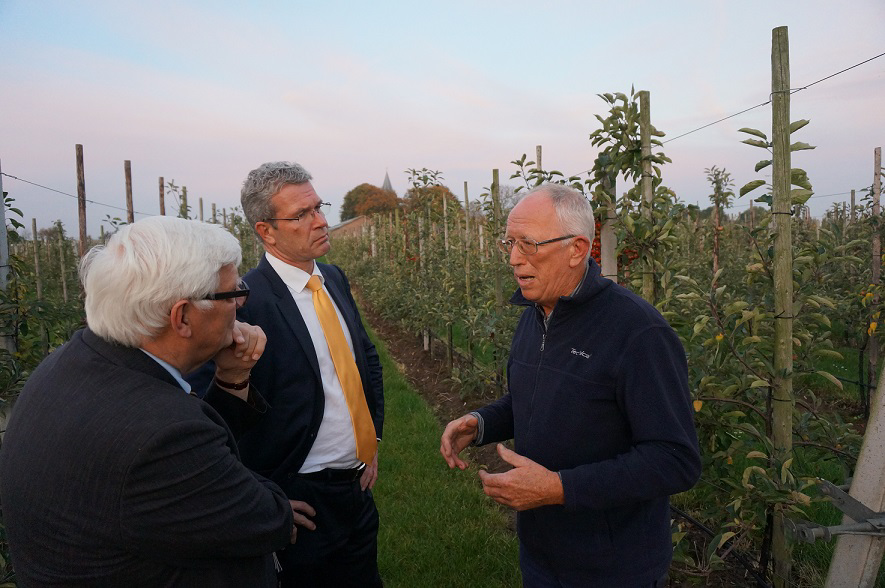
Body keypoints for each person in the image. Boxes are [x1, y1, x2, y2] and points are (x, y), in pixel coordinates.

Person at [0, 216, 312, 587]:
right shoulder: (161, 436)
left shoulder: (74, 363)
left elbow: (204, 465)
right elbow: (267, 519)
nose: (242, 304)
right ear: (182, 317)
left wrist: (231, 377)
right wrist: (269, 502)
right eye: (233, 293)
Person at [440, 184, 701, 587]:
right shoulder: (536, 314)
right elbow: (538, 398)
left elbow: (674, 459)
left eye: (528, 244)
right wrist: (482, 422)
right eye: (509, 243)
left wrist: (560, 488)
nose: (513, 259)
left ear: (577, 249)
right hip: (541, 552)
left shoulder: (638, 333)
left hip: (612, 566)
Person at [205, 161, 384, 587]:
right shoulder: (247, 303)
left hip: (357, 488)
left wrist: (371, 437)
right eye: (302, 215)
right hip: (299, 497)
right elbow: (221, 416)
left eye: (318, 208)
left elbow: (365, 359)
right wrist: (263, 497)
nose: (321, 221)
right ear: (266, 231)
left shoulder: (333, 279)